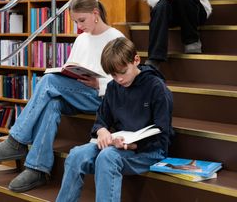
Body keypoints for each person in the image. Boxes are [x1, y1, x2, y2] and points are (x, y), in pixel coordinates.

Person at [0, 0, 124, 192]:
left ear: (95, 13)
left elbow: (125, 81)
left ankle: (16, 141)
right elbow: (70, 67)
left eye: (82, 20)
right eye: (75, 22)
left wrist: (98, 84)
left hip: (102, 99)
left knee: (48, 81)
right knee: (52, 102)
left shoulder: (115, 37)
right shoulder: (82, 39)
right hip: (78, 94)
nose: (79, 26)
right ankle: (38, 169)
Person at [56, 37, 173, 202]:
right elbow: (102, 119)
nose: (119, 79)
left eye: (123, 72)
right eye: (113, 75)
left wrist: (132, 145)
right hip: (118, 146)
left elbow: (162, 135)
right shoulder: (113, 87)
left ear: (136, 60)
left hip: (149, 150)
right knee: (75, 155)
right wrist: (102, 130)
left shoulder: (157, 88)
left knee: (108, 157)